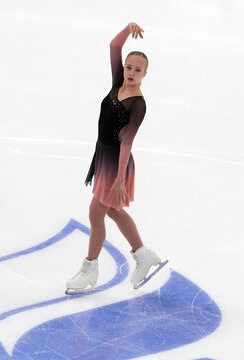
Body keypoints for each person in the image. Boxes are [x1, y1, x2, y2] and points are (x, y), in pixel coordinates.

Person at [66, 22, 165, 294]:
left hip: (116, 163)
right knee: (112, 210)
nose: (131, 72)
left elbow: (128, 142)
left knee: (96, 211)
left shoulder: (138, 104)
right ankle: (142, 253)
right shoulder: (117, 82)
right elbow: (114, 46)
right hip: (103, 155)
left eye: (137, 70)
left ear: (146, 74)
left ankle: (90, 267)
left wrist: (119, 179)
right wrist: (127, 28)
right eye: (129, 67)